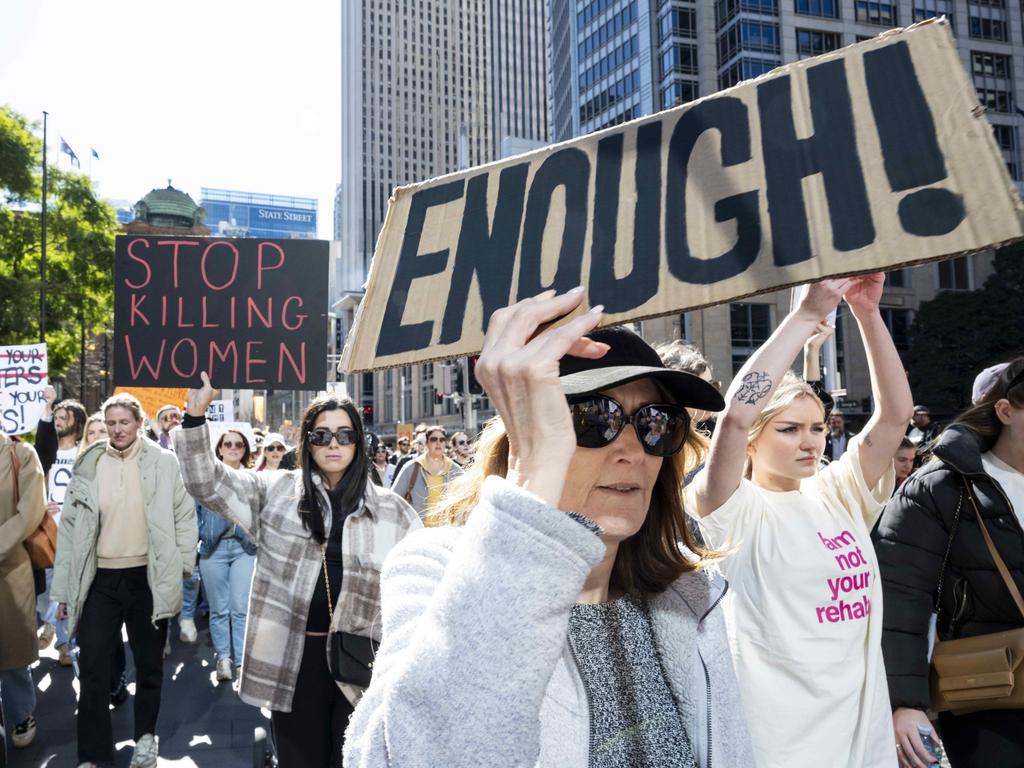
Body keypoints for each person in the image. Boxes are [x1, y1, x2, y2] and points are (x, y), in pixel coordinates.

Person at [344, 290, 754, 768]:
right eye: (593, 418)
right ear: (528, 437)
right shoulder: (434, 571)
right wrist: (532, 476)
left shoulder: (693, 594)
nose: (631, 450)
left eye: (653, 422)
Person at [688, 274, 913, 768]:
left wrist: (868, 314)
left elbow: (895, 418)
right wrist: (806, 315)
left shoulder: (838, 492)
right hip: (779, 744)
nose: (810, 442)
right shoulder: (733, 508)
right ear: (752, 441)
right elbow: (734, 416)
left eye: (816, 428)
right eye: (789, 430)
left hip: (862, 735)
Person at [176, 378, 421, 767]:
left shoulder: (395, 511)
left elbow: (419, 591)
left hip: (364, 662)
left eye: (344, 434)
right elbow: (206, 482)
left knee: (356, 760)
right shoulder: (274, 493)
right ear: (307, 442)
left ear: (359, 441)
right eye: (321, 435)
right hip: (294, 660)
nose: (334, 444)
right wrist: (194, 416)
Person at [874, 358, 1024, 768]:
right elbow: (900, 598)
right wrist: (904, 703)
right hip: (987, 691)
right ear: (1006, 411)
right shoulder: (942, 486)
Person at [50, 393, 197, 768]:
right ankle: (93, 756)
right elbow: (70, 529)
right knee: (95, 671)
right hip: (99, 580)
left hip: (147, 577)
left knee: (149, 666)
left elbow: (183, 514)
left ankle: (146, 739)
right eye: (110, 423)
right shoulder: (88, 462)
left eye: (123, 422)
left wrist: (180, 565)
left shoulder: (163, 461)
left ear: (138, 422)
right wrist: (65, 589)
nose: (116, 429)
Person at [197, 429, 257, 683]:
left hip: (244, 549)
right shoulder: (205, 479)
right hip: (213, 549)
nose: (233, 448)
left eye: (239, 444)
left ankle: (242, 663)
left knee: (241, 608)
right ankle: (223, 659)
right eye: (228, 444)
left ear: (245, 450)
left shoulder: (253, 479)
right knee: (219, 609)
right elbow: (193, 512)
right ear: (219, 449)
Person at [32, 388, 87, 664]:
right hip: (46, 530)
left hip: (74, 530)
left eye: (64, 417)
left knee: (67, 588)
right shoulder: (44, 453)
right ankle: (51, 623)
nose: (58, 421)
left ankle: (64, 643)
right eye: (57, 416)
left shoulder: (84, 452)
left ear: (77, 422)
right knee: (45, 589)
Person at [0, 430, 46, 751]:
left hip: (10, 564)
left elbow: (30, 510)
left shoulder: (21, 454)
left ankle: (20, 714)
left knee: (13, 650)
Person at [391, 425, 464, 518]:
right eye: (434, 439)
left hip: (446, 530)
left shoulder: (455, 470)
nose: (438, 443)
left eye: (442, 440)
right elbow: (393, 499)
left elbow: (466, 501)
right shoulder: (411, 468)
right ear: (426, 443)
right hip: (417, 530)